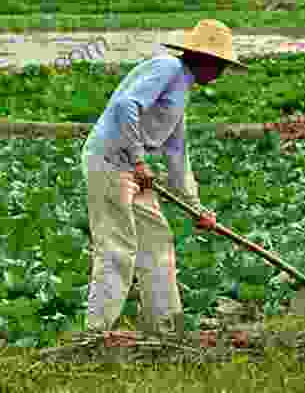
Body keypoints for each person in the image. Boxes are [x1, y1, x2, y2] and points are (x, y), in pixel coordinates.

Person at [80, 19, 248, 339]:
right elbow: (125, 106)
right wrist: (140, 159)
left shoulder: (182, 92)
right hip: (109, 162)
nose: (222, 72)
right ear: (204, 59)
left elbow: (176, 156)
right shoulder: (167, 68)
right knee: (118, 248)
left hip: (135, 172)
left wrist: (197, 207)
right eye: (220, 65)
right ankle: (96, 332)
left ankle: (166, 327)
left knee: (158, 244)